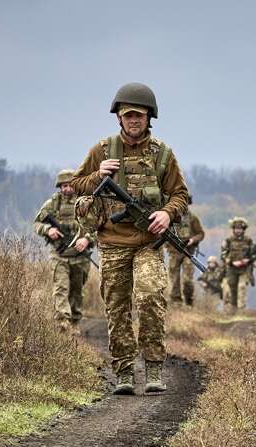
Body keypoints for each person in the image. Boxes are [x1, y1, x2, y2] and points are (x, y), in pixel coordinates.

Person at [70, 82, 189, 395]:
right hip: (112, 243)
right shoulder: (102, 150)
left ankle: (153, 369)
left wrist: (167, 213)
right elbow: (75, 185)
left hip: (149, 242)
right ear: (119, 118)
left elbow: (180, 194)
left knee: (150, 297)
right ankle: (123, 372)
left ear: (149, 117)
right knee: (117, 307)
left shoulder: (162, 154)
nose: (134, 120)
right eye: (128, 115)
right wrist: (98, 175)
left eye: (139, 115)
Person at [33, 169, 93, 334]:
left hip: (80, 257)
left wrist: (86, 239)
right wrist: (48, 230)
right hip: (59, 255)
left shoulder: (85, 203)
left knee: (77, 291)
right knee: (60, 289)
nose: (67, 189)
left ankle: (74, 321)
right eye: (64, 186)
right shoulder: (53, 204)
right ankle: (63, 323)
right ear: (60, 187)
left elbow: (97, 226)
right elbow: (37, 223)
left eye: (69, 185)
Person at [166, 206, 204, 306]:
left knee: (187, 278)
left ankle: (189, 301)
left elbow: (200, 234)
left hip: (188, 252)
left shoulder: (192, 218)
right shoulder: (169, 216)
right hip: (174, 252)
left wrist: (192, 240)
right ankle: (175, 301)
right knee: (174, 278)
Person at [221, 217, 256, 314]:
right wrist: (231, 262)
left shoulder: (248, 240)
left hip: (244, 269)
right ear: (233, 229)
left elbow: (255, 253)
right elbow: (223, 255)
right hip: (232, 269)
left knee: (242, 287)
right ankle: (233, 311)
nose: (238, 231)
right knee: (232, 290)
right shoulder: (228, 241)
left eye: (240, 229)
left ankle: (241, 311)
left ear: (243, 230)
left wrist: (248, 260)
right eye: (236, 229)